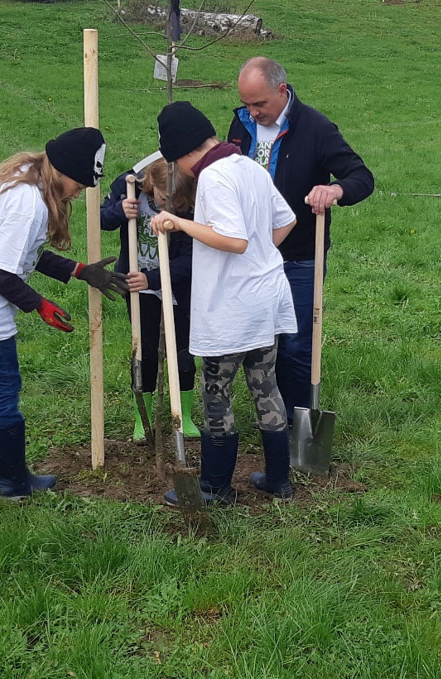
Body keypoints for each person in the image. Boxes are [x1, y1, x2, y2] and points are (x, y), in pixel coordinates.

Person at [0, 128, 127, 500]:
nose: (80, 192)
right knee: (1, 390)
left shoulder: (21, 176)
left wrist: (77, 270)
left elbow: (21, 252)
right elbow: (0, 270)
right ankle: (15, 483)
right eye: (79, 184)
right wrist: (40, 305)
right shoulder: (28, 203)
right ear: (63, 171)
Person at [155, 101, 297, 505]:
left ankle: (215, 487)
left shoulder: (215, 177)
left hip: (232, 308)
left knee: (217, 391)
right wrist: (259, 262)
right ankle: (278, 480)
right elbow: (286, 221)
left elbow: (233, 241)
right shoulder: (250, 166)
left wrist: (177, 222)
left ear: (181, 153)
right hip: (266, 299)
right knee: (265, 385)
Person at [226, 57, 373, 424]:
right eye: (246, 103)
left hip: (300, 257)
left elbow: (361, 176)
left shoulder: (316, 128)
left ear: (282, 90)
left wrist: (335, 188)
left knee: (295, 343)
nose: (253, 111)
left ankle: (296, 422)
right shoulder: (241, 125)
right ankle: (270, 418)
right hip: (248, 254)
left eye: (259, 103)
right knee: (260, 341)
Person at [101, 156, 200, 440]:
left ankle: (185, 416)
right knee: (143, 351)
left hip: (177, 287)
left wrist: (154, 278)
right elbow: (100, 218)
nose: (170, 205)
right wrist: (120, 212)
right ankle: (141, 419)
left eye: (177, 201)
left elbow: (192, 259)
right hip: (138, 285)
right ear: (150, 185)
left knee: (182, 351)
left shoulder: (190, 206)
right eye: (165, 198)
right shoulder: (131, 190)